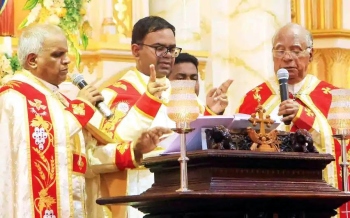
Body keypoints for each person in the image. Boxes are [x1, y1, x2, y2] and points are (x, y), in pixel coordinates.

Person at [0, 23, 172, 218]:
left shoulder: (60, 100)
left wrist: (134, 150)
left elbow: (84, 161)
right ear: (32, 60)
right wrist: (81, 107)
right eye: (57, 55)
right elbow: (40, 145)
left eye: (66, 54)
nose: (67, 61)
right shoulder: (15, 97)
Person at [88, 16, 233, 217]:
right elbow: (95, 155)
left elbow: (192, 144)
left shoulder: (183, 94)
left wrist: (211, 113)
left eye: (172, 49)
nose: (167, 55)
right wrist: (148, 103)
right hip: (138, 195)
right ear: (136, 50)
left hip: (184, 198)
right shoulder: (112, 95)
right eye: (159, 48)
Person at [237, 23, 348, 217]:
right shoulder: (253, 98)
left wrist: (303, 116)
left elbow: (342, 144)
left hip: (316, 197)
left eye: (296, 50)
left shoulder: (334, 97)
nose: (287, 57)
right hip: (269, 196)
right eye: (280, 50)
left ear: (311, 55)